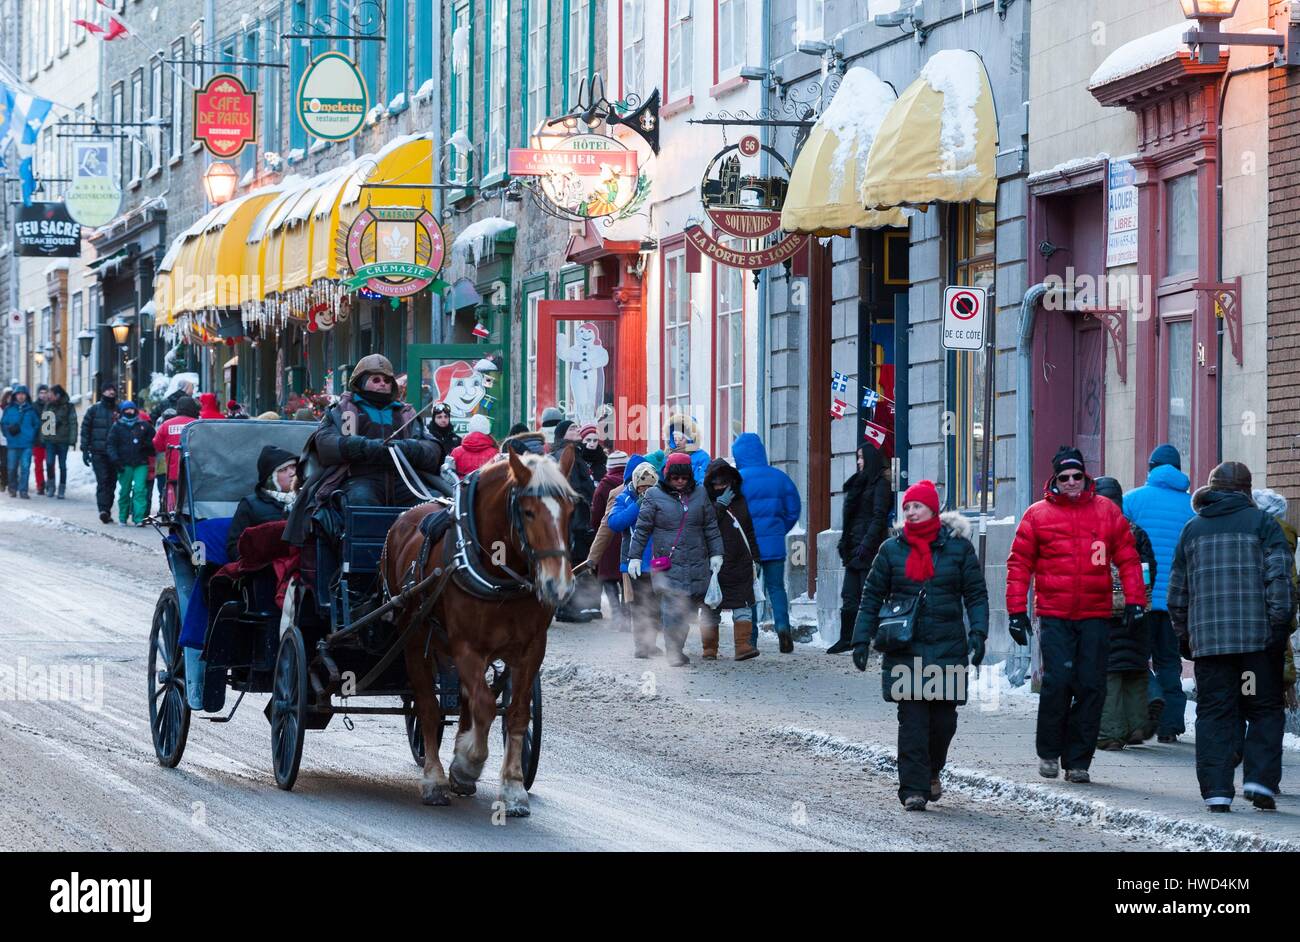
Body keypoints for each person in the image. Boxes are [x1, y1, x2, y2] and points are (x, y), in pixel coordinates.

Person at [1006, 445, 1146, 784]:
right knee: (1057, 683)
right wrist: (1015, 611)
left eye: (1077, 476)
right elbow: (1019, 563)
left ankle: (1079, 760)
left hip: (1095, 614)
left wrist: (1134, 600)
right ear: (1055, 479)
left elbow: (1127, 557)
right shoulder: (1037, 515)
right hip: (1054, 613)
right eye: (1065, 477)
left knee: (1092, 686)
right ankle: (1049, 752)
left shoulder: (1106, 513)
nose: (1071, 482)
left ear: (1086, 477)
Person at [852, 480, 989, 811]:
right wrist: (860, 638)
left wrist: (980, 633)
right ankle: (913, 788)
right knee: (913, 722)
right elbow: (871, 595)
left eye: (918, 506)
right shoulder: (891, 550)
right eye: (907, 507)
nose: (911, 512)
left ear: (933, 509)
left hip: (948, 646)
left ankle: (931, 771)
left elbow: (975, 593)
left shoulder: (958, 547)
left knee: (944, 722)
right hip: (905, 647)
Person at [1168, 462, 1296, 812]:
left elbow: (1178, 592)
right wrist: (1278, 627)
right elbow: (1280, 582)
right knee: (1262, 709)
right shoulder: (1265, 526)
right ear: (1246, 490)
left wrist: (1185, 636)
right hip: (1256, 644)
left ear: (1212, 489)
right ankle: (1259, 781)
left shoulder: (1192, 530)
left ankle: (1217, 791)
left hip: (1210, 646)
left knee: (1215, 713)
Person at [286, 354, 443, 545]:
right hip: (359, 478)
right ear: (360, 382)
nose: (382, 384)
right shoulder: (343, 410)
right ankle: (362, 566)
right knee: (361, 504)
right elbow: (326, 443)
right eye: (375, 379)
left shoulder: (405, 412)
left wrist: (409, 448)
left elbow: (432, 448)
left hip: (404, 481)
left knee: (436, 504)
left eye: (386, 380)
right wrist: (365, 447)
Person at [1122, 443, 1195, 743]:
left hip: (1141, 597)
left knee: (1135, 657)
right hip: (1178, 600)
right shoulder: (1192, 506)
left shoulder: (1132, 500)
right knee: (1169, 662)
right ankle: (1171, 725)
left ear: (1151, 467)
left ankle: (1150, 703)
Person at [628, 452, 724, 667]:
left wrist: (717, 553)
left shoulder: (700, 494)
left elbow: (711, 527)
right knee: (673, 609)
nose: (680, 482)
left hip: (697, 562)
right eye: (675, 477)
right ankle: (673, 652)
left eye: (684, 478)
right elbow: (642, 529)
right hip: (669, 565)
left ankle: (676, 648)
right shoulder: (653, 495)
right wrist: (634, 557)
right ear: (667, 476)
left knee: (688, 610)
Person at [1093, 477, 1158, 751]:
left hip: (1103, 612)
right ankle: (1137, 726)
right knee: (1135, 669)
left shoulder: (1093, 533)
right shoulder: (1136, 531)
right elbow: (1150, 570)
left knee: (1108, 674)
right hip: (1137, 610)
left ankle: (1110, 733)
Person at [732, 432, 802, 653]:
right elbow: (794, 509)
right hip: (774, 545)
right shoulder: (779, 478)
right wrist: (779, 530)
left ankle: (751, 639)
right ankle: (783, 628)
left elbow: (730, 514)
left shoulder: (737, 481)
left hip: (748, 547)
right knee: (776, 588)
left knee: (750, 591)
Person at [829, 443, 893, 654]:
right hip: (853, 549)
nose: (858, 462)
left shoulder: (880, 485)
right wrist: (844, 542)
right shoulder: (858, 483)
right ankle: (846, 638)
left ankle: (872, 639)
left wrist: (867, 544)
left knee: (869, 598)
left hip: (869, 550)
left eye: (861, 457)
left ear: (871, 459)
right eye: (857, 457)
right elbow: (850, 518)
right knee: (849, 597)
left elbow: (878, 518)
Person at [700, 458, 762, 661]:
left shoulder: (741, 500)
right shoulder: (704, 502)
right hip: (713, 563)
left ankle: (743, 646)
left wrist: (755, 556)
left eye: (724, 482)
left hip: (740, 561)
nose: (720, 486)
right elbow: (703, 527)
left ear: (732, 482)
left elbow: (749, 530)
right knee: (711, 606)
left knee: (743, 604)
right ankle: (709, 648)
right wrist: (719, 506)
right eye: (716, 483)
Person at [607, 458, 663, 656]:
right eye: (642, 487)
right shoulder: (625, 498)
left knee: (656, 606)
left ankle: (651, 643)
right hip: (634, 561)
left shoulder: (662, 498)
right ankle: (641, 646)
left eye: (650, 487)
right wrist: (638, 504)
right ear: (636, 484)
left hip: (659, 562)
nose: (645, 491)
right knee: (639, 605)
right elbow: (615, 523)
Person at [1253, 488, 1300, 712]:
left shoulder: (1256, 534)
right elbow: (1290, 589)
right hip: (1277, 627)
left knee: (1249, 685)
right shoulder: (1287, 541)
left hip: (1250, 625)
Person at [552, 418, 598, 622]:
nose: (577, 430)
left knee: (577, 562)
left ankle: (579, 606)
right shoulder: (565, 454)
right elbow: (569, 489)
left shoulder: (575, 452)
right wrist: (585, 505)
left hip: (578, 518)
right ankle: (566, 608)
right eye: (572, 428)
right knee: (572, 562)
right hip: (574, 519)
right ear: (563, 435)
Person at [226, 446, 298, 560]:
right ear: (271, 479)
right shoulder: (250, 505)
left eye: (294, 466)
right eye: (283, 470)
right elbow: (234, 547)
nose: (292, 473)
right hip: (267, 571)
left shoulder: (310, 500)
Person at [586, 450, 631, 629]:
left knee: (609, 579)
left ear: (609, 468)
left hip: (609, 539)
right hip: (628, 537)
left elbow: (596, 515)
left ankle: (618, 616)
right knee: (625, 579)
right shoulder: (632, 485)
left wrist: (596, 528)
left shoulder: (604, 486)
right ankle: (627, 616)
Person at [106, 400, 155, 526]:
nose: (130, 412)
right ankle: (123, 517)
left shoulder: (144, 426)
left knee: (140, 490)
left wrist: (148, 447)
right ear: (122, 412)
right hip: (124, 464)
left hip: (141, 463)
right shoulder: (117, 427)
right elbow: (111, 445)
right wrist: (116, 460)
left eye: (132, 409)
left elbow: (154, 441)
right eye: (127, 410)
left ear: (135, 411)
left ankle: (138, 518)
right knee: (125, 491)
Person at [153, 396, 201, 512]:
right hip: (194, 472)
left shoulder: (166, 425)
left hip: (173, 472)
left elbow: (157, 445)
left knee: (173, 502)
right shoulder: (197, 425)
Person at [81, 383, 120, 522]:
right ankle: (103, 510)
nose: (111, 392)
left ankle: (107, 509)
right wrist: (85, 450)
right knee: (103, 481)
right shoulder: (94, 410)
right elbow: (85, 430)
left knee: (112, 482)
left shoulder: (119, 410)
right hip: (99, 452)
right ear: (102, 392)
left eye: (113, 390)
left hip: (115, 453)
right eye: (108, 390)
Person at [39, 384, 76, 500]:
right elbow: (44, 423)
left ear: (58, 395)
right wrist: (43, 438)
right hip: (50, 440)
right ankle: (51, 486)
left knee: (62, 465)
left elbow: (73, 423)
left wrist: (72, 439)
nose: (49, 395)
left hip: (63, 440)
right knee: (49, 463)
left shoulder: (69, 407)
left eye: (51, 393)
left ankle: (62, 487)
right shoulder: (48, 406)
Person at [2, 384, 40, 499]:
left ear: (26, 396)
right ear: (15, 395)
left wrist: (31, 435)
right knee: (12, 467)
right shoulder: (9, 409)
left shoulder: (31, 410)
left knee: (25, 468)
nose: (21, 396)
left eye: (23, 394)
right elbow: (3, 424)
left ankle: (23, 490)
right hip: (13, 444)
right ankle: (12, 488)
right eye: (18, 394)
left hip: (26, 444)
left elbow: (37, 424)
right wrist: (8, 435)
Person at [664, 413, 711, 484]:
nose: (677, 443)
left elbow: (703, 480)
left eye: (680, 439)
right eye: (675, 439)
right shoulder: (668, 456)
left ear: (690, 440)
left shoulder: (702, 457)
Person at [32, 384, 49, 495]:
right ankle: (40, 485)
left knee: (50, 464)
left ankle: (49, 484)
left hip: (49, 440)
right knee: (38, 465)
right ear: (38, 394)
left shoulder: (51, 405)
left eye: (45, 393)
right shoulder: (34, 406)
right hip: (37, 440)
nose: (43, 395)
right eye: (41, 393)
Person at [0, 387, 10, 492]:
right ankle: (3, 481)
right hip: (1, 439)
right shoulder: (0, 409)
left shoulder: (14, 409)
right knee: (3, 463)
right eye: (8, 397)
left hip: (10, 441)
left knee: (7, 463)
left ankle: (6, 481)